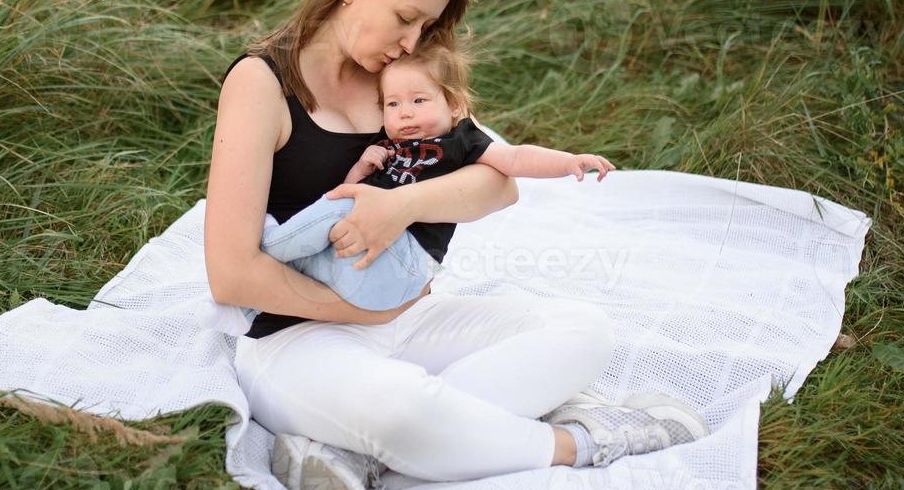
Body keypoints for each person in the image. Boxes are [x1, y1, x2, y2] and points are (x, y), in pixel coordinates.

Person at [203, 0, 710, 490]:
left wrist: (402, 206)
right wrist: (366, 311)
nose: (412, 42)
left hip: (414, 318)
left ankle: (348, 451)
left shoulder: (399, 78)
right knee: (401, 413)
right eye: (405, 18)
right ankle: (581, 442)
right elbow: (229, 273)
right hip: (296, 336)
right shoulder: (262, 83)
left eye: (425, 26)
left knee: (584, 329)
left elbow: (498, 187)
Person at [221, 40, 619, 337]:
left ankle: (269, 249)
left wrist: (568, 163)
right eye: (392, 105)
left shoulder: (461, 140)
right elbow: (349, 189)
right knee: (334, 219)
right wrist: (362, 166)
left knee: (335, 209)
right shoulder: (389, 146)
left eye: (418, 100)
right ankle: (264, 281)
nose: (405, 112)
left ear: (455, 106)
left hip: (409, 259)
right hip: (364, 257)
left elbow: (513, 161)